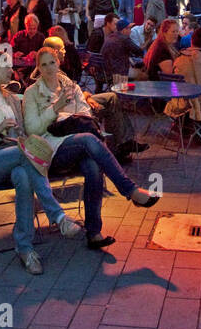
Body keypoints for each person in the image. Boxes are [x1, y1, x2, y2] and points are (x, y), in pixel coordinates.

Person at [0, 48, 82, 274]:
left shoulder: (12, 100)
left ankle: (25, 249)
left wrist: (18, 134)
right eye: (7, 67)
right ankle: (57, 215)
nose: (12, 71)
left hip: (14, 158)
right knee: (25, 155)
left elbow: (25, 134)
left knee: (23, 176)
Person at [22, 47, 158, 250]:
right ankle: (130, 190)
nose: (49, 68)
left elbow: (85, 114)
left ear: (59, 62)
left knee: (93, 165)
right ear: (38, 68)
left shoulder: (71, 87)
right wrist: (56, 110)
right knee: (88, 140)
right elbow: (32, 128)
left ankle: (94, 233)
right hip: (51, 149)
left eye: (52, 62)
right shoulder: (32, 93)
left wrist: (69, 119)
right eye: (44, 64)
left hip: (79, 142)